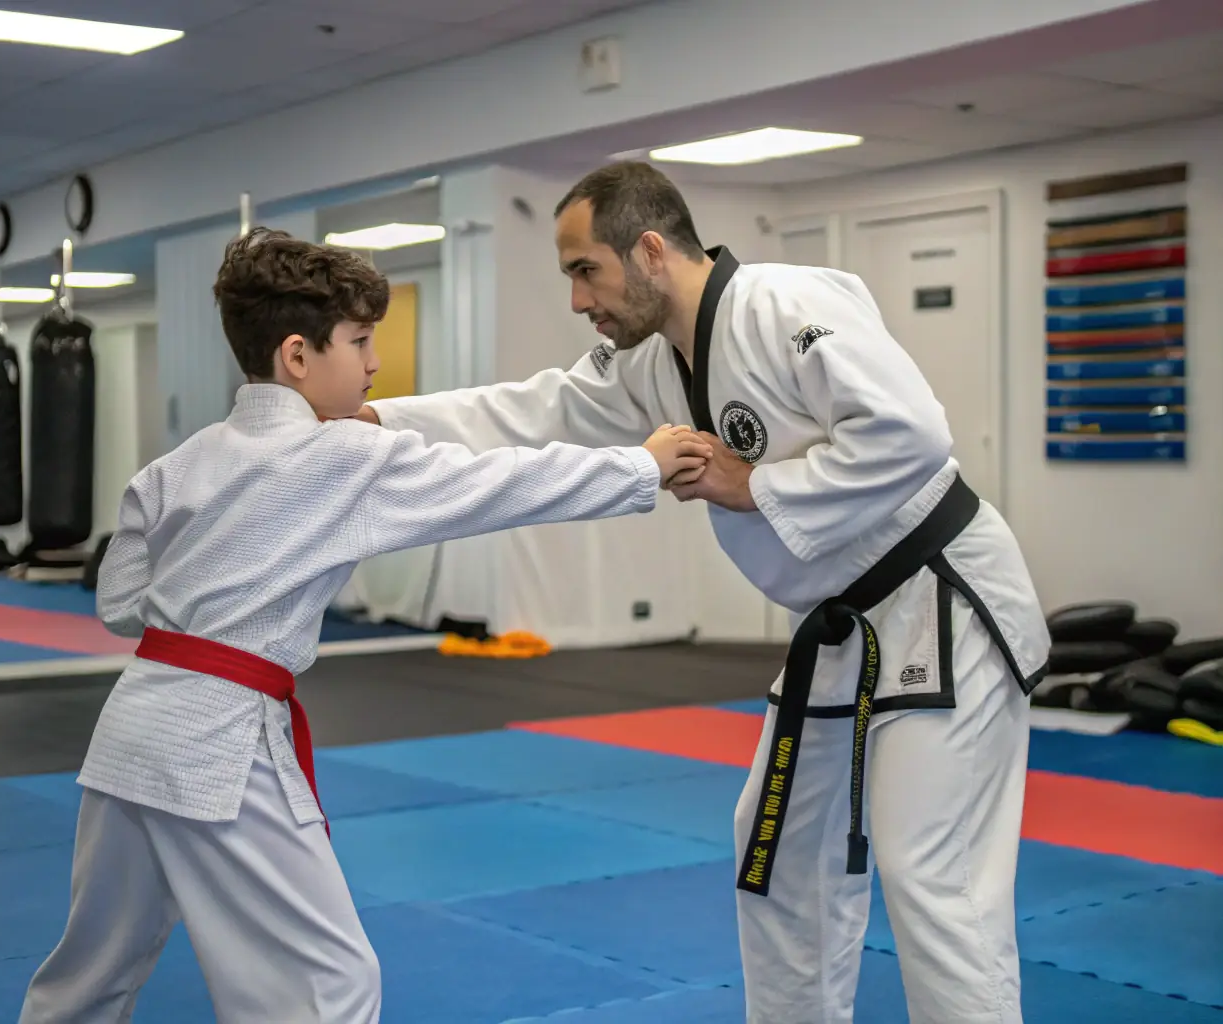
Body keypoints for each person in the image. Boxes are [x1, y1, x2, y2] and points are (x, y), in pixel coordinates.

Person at [355, 161, 1051, 1024]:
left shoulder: (784, 303)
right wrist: (382, 420)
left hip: (940, 610)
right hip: (838, 634)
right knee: (778, 860)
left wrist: (753, 484)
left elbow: (910, 433)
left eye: (585, 271)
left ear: (648, 250)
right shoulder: (653, 360)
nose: (578, 301)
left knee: (931, 876)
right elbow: (537, 410)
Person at [17, 227, 713, 1024]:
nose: (374, 361)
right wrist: (643, 464)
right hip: (220, 743)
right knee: (329, 985)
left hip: (131, 732)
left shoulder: (176, 466)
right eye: (358, 340)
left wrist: (219, 578)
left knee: (92, 970)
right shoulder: (342, 458)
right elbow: (501, 484)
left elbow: (120, 607)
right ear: (297, 357)